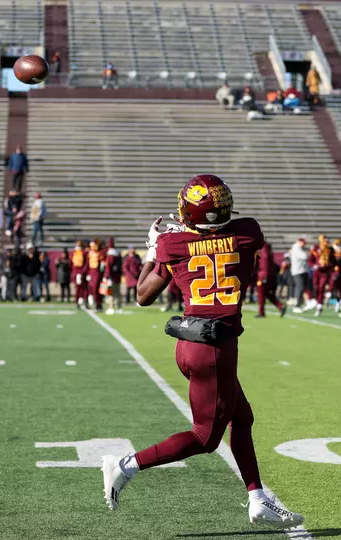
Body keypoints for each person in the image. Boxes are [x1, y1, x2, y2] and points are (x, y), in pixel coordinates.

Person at [101, 174, 304, 530]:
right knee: (204, 438)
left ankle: (258, 498)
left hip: (190, 344)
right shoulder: (247, 232)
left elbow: (143, 296)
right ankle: (124, 466)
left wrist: (153, 248)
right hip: (215, 349)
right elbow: (227, 241)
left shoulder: (172, 244)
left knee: (242, 420)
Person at [255, 242, 286, 318]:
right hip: (269, 274)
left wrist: (263, 275)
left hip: (263, 274)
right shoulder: (267, 248)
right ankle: (280, 306)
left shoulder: (263, 247)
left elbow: (264, 260)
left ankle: (261, 312)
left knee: (261, 293)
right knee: (266, 293)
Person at [308, 235, 335, 317]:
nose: (326, 242)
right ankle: (317, 302)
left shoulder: (330, 250)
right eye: (324, 240)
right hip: (317, 272)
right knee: (316, 288)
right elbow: (310, 260)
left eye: (327, 241)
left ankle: (319, 307)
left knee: (321, 288)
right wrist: (314, 265)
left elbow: (333, 261)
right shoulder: (315, 248)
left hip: (325, 272)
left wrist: (329, 266)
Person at [289, 236, 313, 312]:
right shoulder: (296, 247)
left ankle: (307, 302)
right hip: (297, 271)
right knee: (300, 287)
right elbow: (304, 256)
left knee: (305, 287)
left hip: (302, 270)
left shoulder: (300, 248)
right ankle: (297, 306)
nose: (304, 244)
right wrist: (311, 252)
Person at [103, 237, 123, 314]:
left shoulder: (110, 255)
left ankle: (111, 308)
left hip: (111, 276)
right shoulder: (117, 253)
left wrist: (106, 276)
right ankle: (119, 307)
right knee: (118, 292)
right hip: (117, 276)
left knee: (110, 292)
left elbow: (108, 266)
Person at [87, 240, 103, 309]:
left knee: (96, 289)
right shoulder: (89, 254)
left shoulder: (99, 254)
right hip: (91, 272)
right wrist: (88, 273)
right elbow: (87, 264)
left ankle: (98, 303)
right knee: (91, 288)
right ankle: (92, 302)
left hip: (97, 273)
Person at [72, 241, 88, 307]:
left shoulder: (83, 253)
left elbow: (86, 263)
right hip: (78, 273)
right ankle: (79, 300)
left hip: (81, 273)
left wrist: (83, 272)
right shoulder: (74, 253)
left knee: (83, 288)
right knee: (79, 288)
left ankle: (83, 300)